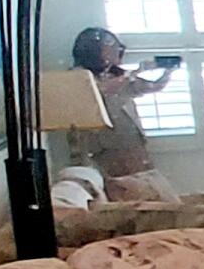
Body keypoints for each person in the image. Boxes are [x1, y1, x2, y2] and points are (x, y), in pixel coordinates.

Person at [68, 26, 177, 180]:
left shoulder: (117, 74)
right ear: (94, 50)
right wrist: (136, 71)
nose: (116, 51)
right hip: (104, 148)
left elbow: (153, 87)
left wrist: (168, 71)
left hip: (132, 142)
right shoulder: (78, 75)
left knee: (147, 185)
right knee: (123, 188)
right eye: (111, 48)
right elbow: (100, 91)